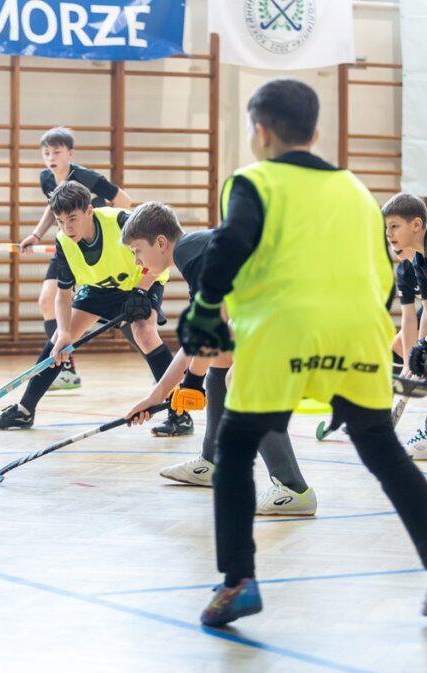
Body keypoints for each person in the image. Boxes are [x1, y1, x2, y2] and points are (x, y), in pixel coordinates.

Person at [177, 78, 427, 626]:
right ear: (314, 132)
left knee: (235, 447)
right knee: (385, 454)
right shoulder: (359, 192)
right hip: (359, 334)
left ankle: (239, 580)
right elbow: (385, 278)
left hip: (281, 334)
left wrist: (202, 309)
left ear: (260, 131)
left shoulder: (253, 180)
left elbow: (229, 243)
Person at [120, 202, 317, 515]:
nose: (136, 260)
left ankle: (292, 488)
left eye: (136, 250)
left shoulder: (191, 252)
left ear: (160, 242)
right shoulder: (197, 250)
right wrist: (163, 393)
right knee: (223, 357)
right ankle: (213, 462)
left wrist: (190, 383)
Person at [0, 181, 174, 431]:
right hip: (98, 289)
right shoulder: (64, 241)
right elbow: (63, 294)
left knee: (145, 333)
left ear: (89, 211)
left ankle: (179, 412)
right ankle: (24, 410)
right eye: (60, 221)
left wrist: (142, 288)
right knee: (59, 341)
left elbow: (164, 253)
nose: (67, 227)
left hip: (141, 281)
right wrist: (64, 333)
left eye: (72, 219)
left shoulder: (121, 221)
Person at [18, 127, 142, 400]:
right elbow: (54, 208)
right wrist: (36, 234)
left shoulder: (86, 177)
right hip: (69, 245)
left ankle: (158, 360)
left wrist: (102, 229)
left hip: (99, 249)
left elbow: (124, 200)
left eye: (56, 152)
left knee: (125, 321)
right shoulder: (46, 179)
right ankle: (66, 368)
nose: (50, 157)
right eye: (46, 153)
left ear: (70, 154)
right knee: (46, 300)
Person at [382, 193, 427, 460]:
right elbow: (413, 316)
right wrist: (418, 352)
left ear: (417, 225)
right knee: (400, 345)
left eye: (394, 226)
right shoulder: (417, 263)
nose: (389, 234)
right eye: (386, 228)